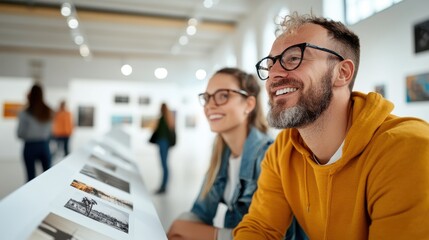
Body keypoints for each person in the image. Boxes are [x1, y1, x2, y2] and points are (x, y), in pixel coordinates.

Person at [234, 12, 429, 239]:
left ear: (342, 73)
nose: (274, 74)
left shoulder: (408, 149)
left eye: (294, 58)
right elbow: (260, 228)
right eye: (270, 65)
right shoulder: (283, 151)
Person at [167, 68, 305, 240]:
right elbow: (200, 212)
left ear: (249, 104)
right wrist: (181, 229)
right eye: (207, 97)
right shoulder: (221, 154)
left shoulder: (267, 155)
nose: (210, 105)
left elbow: (271, 235)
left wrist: (209, 234)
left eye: (223, 95)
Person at [17, 83, 54, 182]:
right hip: (44, 145)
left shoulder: (25, 112)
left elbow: (20, 133)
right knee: (48, 176)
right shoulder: (49, 111)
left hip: (30, 146)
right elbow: (51, 131)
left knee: (30, 178)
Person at [150, 102, 176, 194]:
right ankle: (163, 186)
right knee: (164, 165)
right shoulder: (169, 119)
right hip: (164, 143)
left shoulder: (163, 119)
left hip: (163, 143)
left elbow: (158, 131)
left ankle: (163, 186)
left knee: (164, 165)